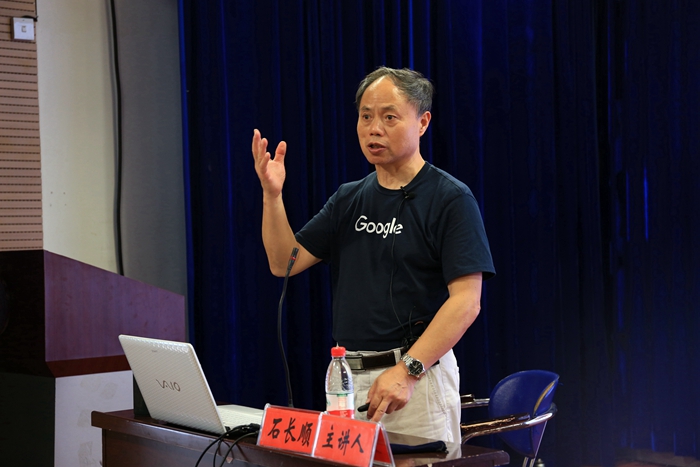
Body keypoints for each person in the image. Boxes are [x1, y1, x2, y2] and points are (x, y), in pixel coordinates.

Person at [251, 67, 495, 443]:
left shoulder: (450, 198)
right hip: (347, 380)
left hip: (414, 380)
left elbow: (466, 302)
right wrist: (272, 196)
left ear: (423, 122)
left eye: (389, 117)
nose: (373, 129)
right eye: (366, 117)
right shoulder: (349, 198)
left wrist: (408, 370)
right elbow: (284, 262)